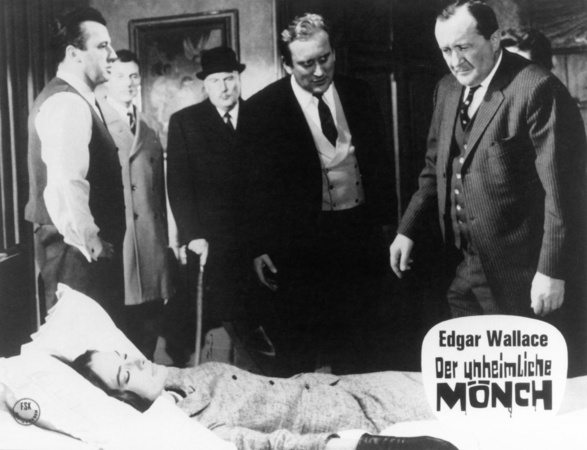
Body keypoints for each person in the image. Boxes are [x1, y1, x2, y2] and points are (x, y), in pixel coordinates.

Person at [389, 1, 587, 372]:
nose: (455, 61)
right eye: (446, 50)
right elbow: (435, 169)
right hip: (461, 268)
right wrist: (407, 229)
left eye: (463, 47)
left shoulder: (537, 88)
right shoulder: (447, 89)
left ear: (494, 39)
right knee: (472, 377)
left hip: (522, 276)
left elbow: (564, 195)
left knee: (521, 382)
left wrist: (552, 271)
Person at [240, 14, 395, 376]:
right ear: (287, 65)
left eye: (325, 58)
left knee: (362, 347)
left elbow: (381, 164)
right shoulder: (262, 110)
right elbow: (250, 187)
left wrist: (388, 225)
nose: (320, 71)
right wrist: (258, 246)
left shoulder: (361, 93)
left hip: (359, 237)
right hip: (300, 246)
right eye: (307, 64)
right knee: (299, 352)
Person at [71, 350, 457, 450]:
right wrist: (366, 444)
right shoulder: (195, 430)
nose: (136, 360)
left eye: (124, 356)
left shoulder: (180, 380)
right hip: (363, 418)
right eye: (125, 373)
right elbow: (273, 447)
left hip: (350, 386)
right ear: (126, 400)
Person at [25, 7, 126, 325]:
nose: (112, 55)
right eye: (102, 46)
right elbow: (66, 182)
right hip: (76, 256)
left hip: (79, 254)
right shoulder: (66, 102)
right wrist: (91, 241)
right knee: (83, 347)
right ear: (73, 54)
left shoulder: (77, 99)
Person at [166, 47, 250, 356]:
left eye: (229, 78)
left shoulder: (260, 115)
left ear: (238, 78)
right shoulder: (185, 122)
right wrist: (192, 235)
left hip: (254, 242)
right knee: (209, 321)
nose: (224, 87)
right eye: (215, 81)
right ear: (206, 84)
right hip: (208, 242)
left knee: (254, 320)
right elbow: (178, 184)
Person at [97, 50, 174, 359]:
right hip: (119, 244)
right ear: (107, 79)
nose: (128, 83)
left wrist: (166, 243)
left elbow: (159, 195)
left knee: (149, 331)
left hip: (150, 245)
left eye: (133, 76)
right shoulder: (97, 122)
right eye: (119, 76)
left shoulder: (149, 126)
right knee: (118, 335)